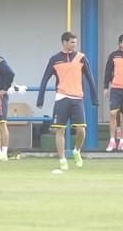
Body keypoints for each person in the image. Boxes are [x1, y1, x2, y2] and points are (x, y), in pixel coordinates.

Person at [37, 32, 98, 170]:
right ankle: (62, 159)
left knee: (81, 130)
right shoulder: (54, 59)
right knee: (59, 131)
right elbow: (45, 78)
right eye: (72, 42)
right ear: (64, 42)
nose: (74, 45)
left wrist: (94, 98)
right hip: (61, 97)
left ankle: (77, 151)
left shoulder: (81, 58)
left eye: (75, 42)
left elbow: (90, 78)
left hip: (77, 98)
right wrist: (40, 99)